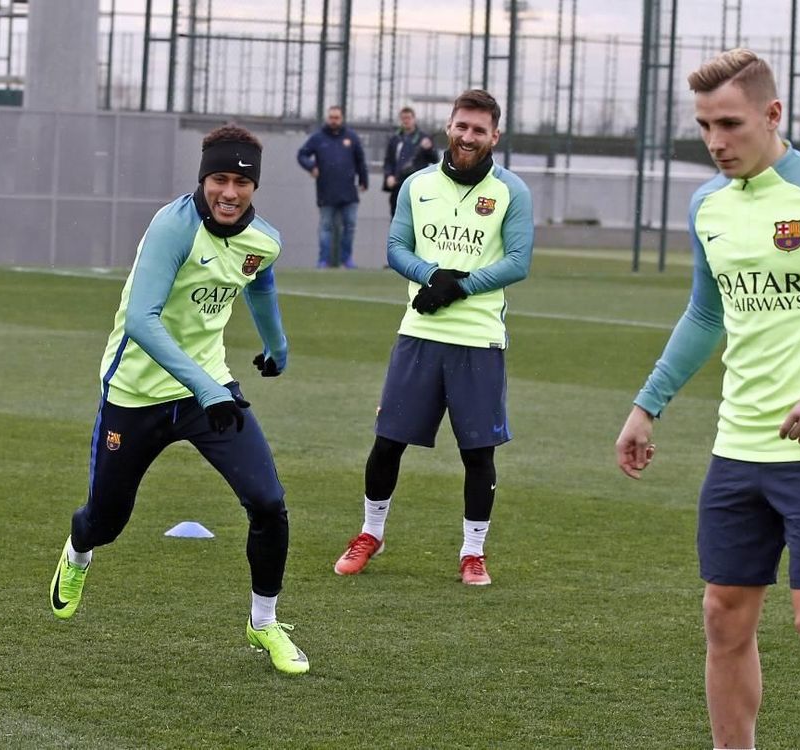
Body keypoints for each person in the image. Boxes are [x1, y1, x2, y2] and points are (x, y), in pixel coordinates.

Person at [615, 49, 800, 750]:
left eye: (730, 124)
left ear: (773, 114)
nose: (716, 142)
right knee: (723, 615)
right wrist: (647, 404)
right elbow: (706, 315)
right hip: (738, 448)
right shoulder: (707, 206)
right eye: (704, 127)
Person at [48, 124, 308, 675]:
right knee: (106, 521)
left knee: (267, 502)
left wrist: (277, 345)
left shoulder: (264, 239)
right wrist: (207, 387)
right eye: (219, 179)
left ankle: (264, 624)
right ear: (203, 179)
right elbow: (141, 320)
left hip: (207, 392)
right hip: (136, 392)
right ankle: (77, 552)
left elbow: (258, 282)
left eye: (241, 182)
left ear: (255, 187)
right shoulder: (173, 227)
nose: (230, 192)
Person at [333, 89, 533, 586]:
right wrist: (431, 276)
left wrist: (455, 286)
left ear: (495, 136)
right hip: (418, 332)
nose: (469, 136)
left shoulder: (513, 192)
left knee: (477, 453)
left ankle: (472, 552)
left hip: (479, 338)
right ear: (449, 126)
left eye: (479, 130)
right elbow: (396, 247)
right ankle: (370, 533)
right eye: (462, 126)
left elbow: (518, 262)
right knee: (387, 443)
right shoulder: (416, 184)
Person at [297, 105, 368, 268]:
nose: (334, 120)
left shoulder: (352, 137)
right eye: (331, 117)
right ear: (327, 118)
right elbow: (302, 154)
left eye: (337, 117)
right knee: (326, 226)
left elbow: (360, 160)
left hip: (349, 192)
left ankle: (346, 259)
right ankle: (323, 260)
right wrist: (311, 166)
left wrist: (364, 180)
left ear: (342, 118)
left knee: (349, 226)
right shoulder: (318, 138)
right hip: (326, 191)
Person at [383, 106, 439, 216]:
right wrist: (388, 176)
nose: (406, 121)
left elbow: (434, 159)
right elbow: (388, 161)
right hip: (398, 185)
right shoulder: (395, 139)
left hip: (418, 186)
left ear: (414, 119)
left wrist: (429, 148)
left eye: (408, 118)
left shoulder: (424, 138)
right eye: (403, 118)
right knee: (396, 218)